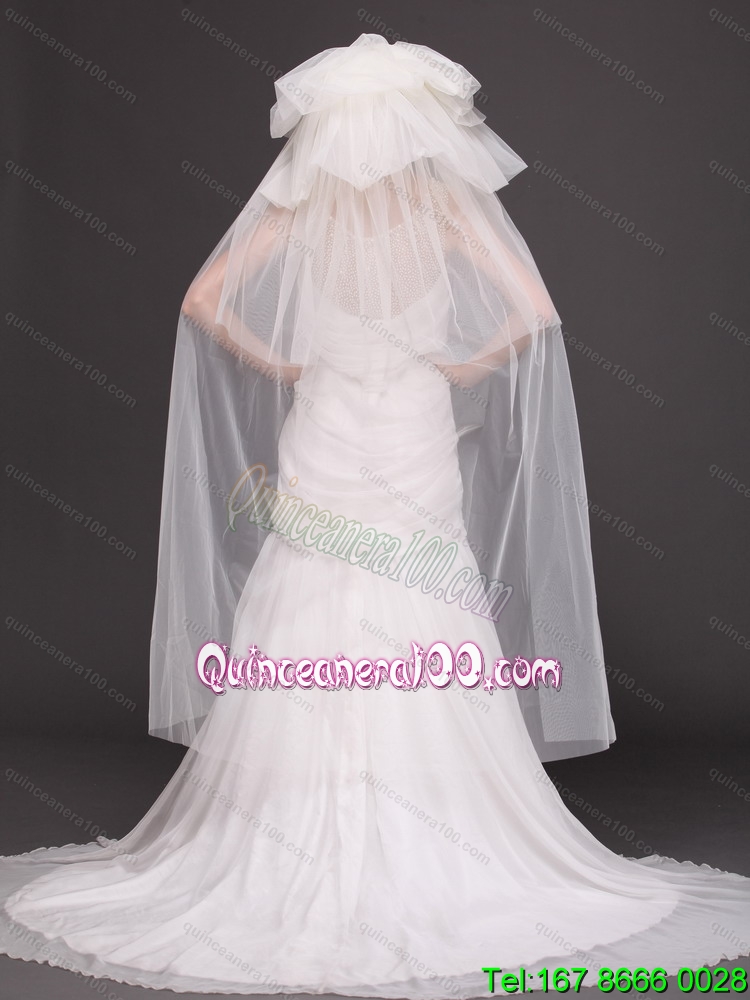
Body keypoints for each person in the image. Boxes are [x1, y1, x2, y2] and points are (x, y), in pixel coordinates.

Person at [1, 32, 748, 997]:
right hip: (412, 430)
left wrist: (288, 363)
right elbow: (532, 311)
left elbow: (204, 299)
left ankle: (281, 829)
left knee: (309, 588)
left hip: (327, 425)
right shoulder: (443, 213)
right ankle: (442, 823)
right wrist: (456, 366)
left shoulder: (297, 216)